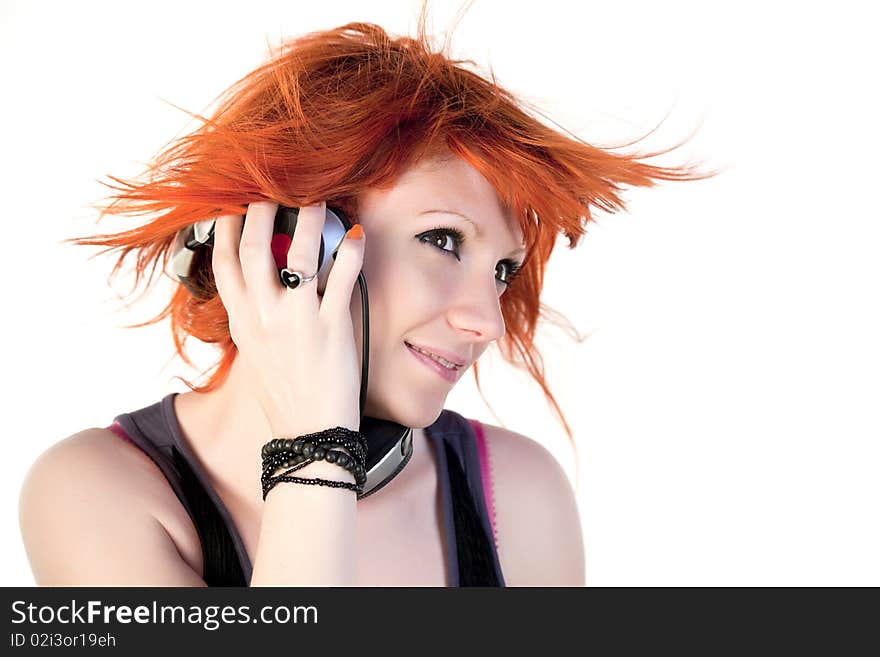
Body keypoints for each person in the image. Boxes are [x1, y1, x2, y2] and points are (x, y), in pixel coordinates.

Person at [18, 9, 713, 587]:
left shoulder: (520, 497)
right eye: (443, 240)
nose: (486, 321)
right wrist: (316, 451)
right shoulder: (93, 492)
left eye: (502, 270)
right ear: (294, 242)